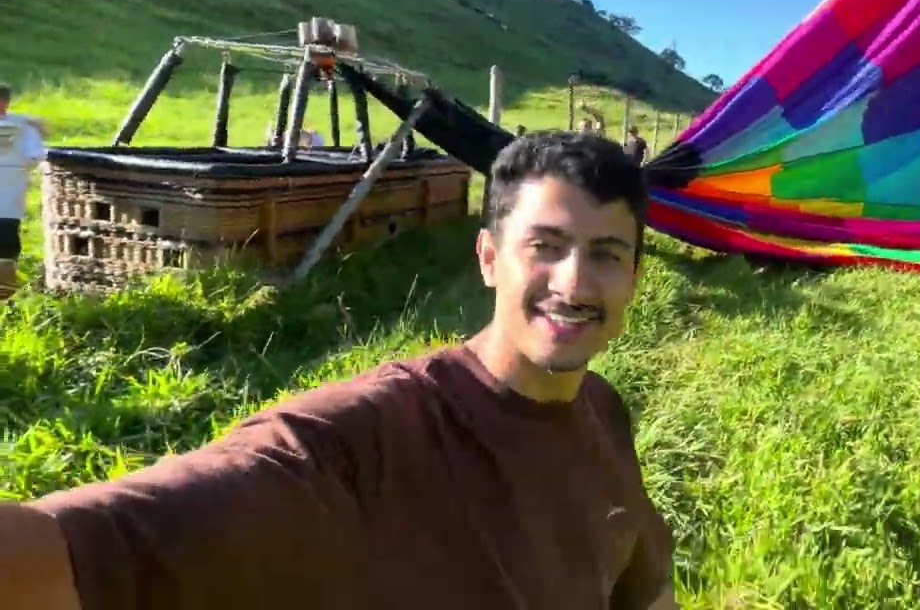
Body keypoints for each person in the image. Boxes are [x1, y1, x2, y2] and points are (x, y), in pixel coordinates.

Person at [0, 131, 677, 610]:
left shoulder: (603, 411)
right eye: (546, 246)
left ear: (636, 277)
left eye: (607, 255)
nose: (575, 282)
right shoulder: (364, 439)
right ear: (489, 259)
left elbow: (643, 591)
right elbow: (70, 550)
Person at [0, 83, 47, 299]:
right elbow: (35, 156)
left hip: (9, 194)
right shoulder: (23, 127)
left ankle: (6, 293)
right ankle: (6, 295)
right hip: (9, 194)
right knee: (6, 246)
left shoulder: (23, 125)